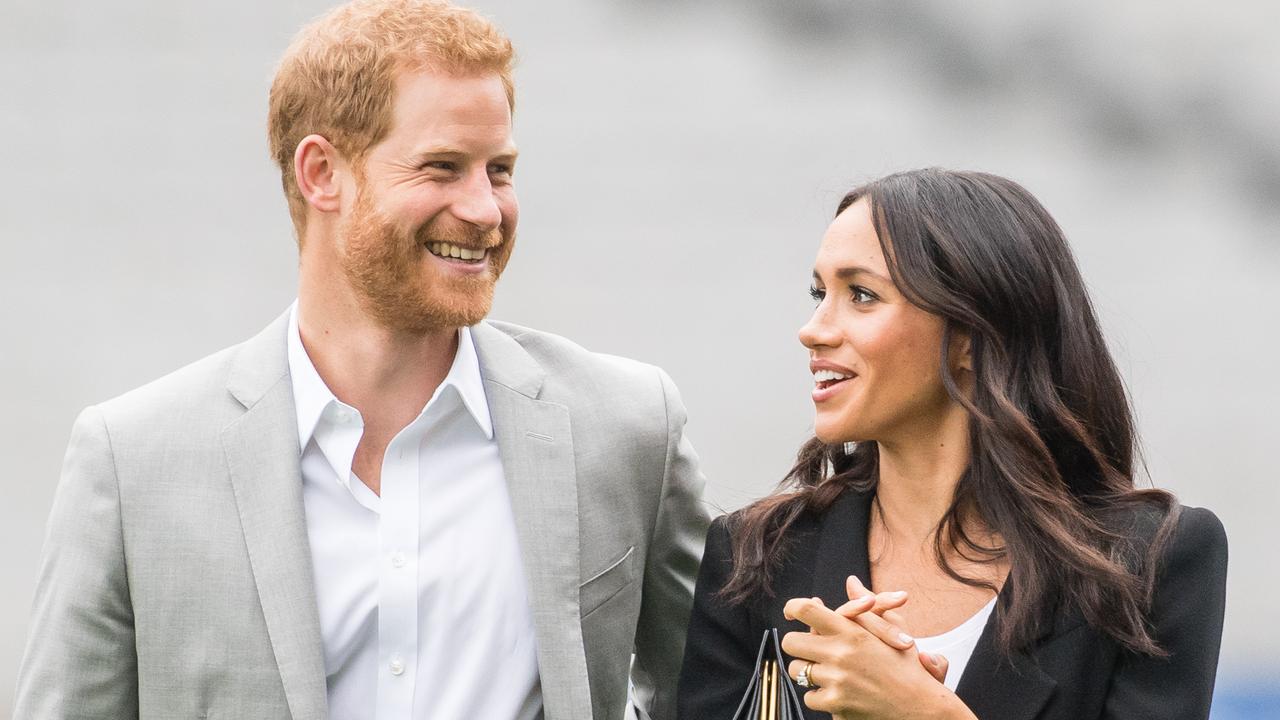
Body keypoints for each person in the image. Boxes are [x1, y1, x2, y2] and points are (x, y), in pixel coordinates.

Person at [14, 1, 709, 718]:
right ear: (322, 173)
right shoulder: (133, 462)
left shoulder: (628, 430)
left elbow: (719, 691)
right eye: (443, 167)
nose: (486, 210)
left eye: (498, 170)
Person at [677, 169, 1227, 720]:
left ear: (971, 336)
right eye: (820, 293)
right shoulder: (755, 555)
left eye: (861, 295)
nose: (813, 329)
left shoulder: (1150, 559)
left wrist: (921, 711)